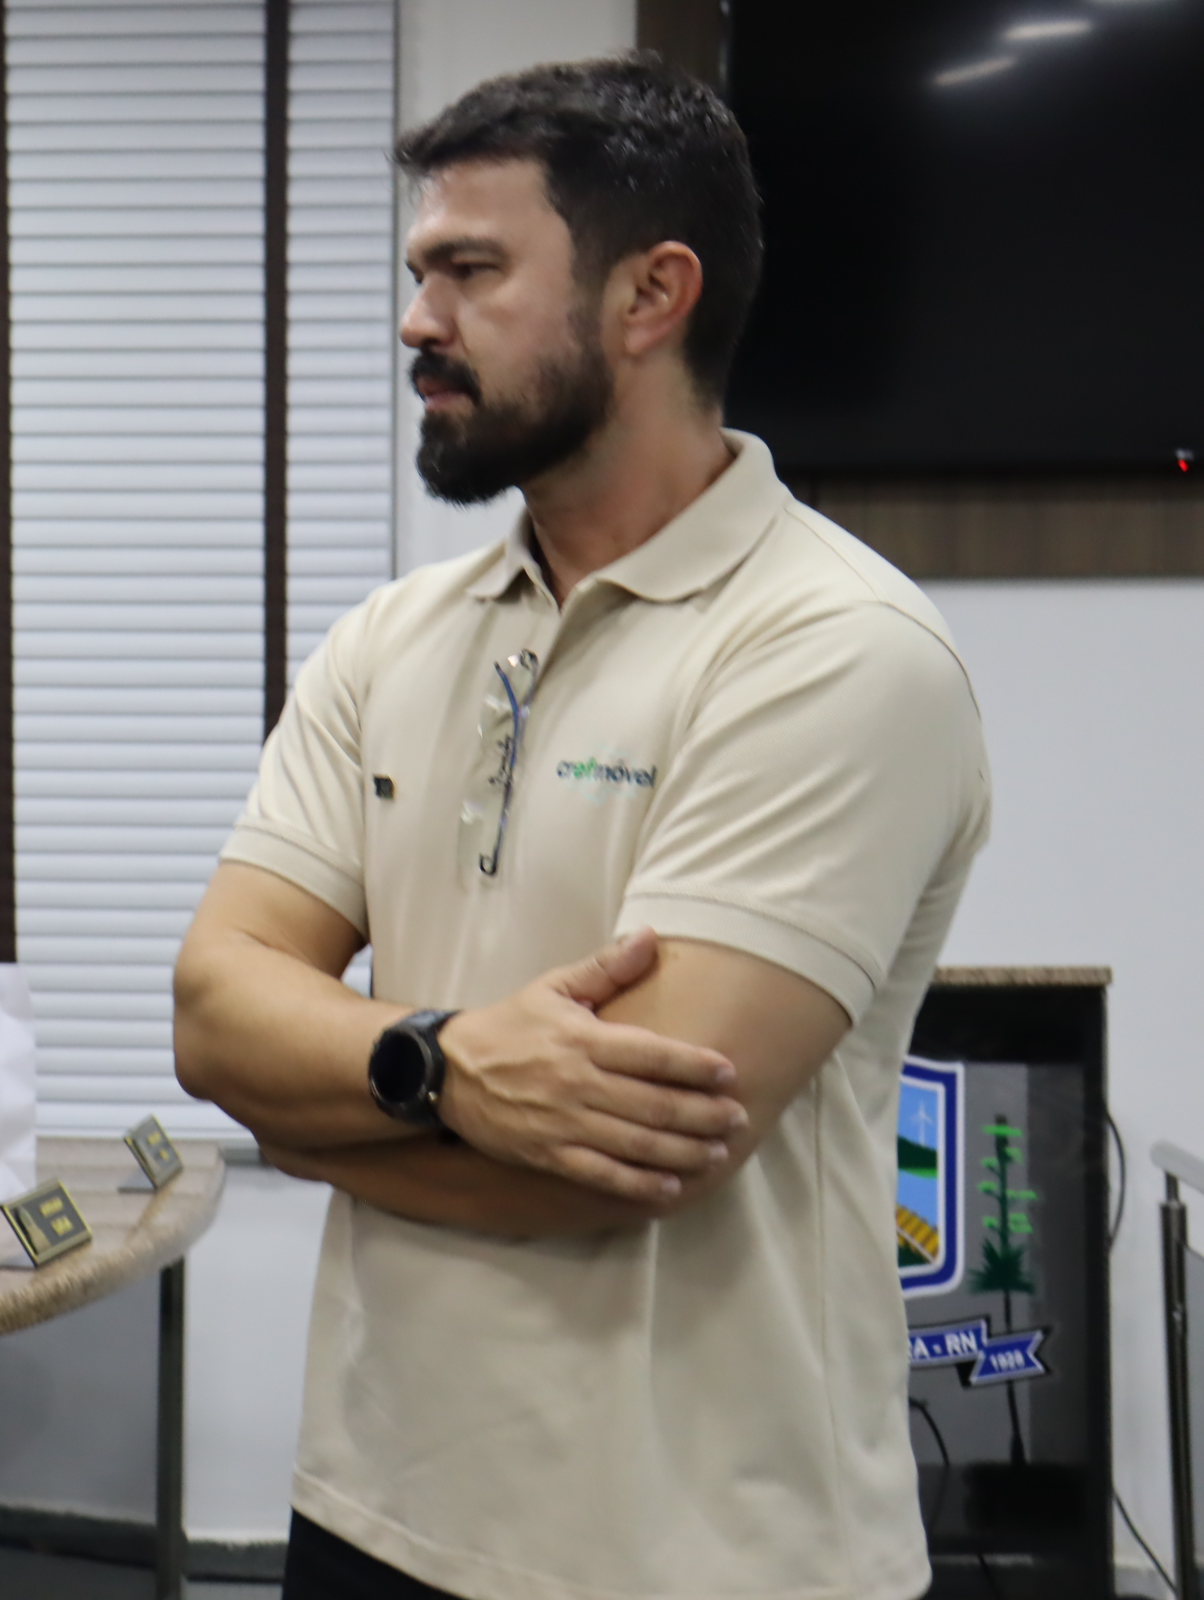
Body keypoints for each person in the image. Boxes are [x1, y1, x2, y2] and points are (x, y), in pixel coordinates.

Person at [174, 56, 989, 1600]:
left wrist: (312, 1108)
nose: (419, 320)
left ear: (651, 295)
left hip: (705, 1557)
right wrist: (436, 1064)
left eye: (472, 271)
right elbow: (215, 1015)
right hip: (372, 1511)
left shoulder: (834, 649)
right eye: (420, 273)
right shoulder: (392, 640)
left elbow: (615, 1160)